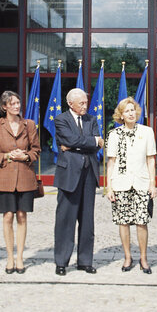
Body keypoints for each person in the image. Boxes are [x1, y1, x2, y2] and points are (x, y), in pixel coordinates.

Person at [0, 91, 40, 274]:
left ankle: (20, 258)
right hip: (5, 178)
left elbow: (36, 150)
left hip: (25, 177)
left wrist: (25, 156)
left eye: (18, 103)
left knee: (22, 216)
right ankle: (9, 257)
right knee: (8, 216)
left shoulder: (29, 125)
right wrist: (8, 156)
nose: (17, 106)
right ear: (5, 107)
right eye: (13, 103)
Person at [53, 88, 104, 276]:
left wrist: (77, 144)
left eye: (86, 102)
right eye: (81, 103)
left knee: (87, 220)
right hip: (69, 175)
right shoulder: (61, 120)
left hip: (89, 173)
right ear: (70, 103)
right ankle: (61, 261)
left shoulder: (91, 119)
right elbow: (70, 138)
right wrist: (91, 141)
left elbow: (96, 142)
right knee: (65, 219)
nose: (85, 105)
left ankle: (85, 260)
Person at [105, 97, 157, 274]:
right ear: (121, 114)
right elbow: (110, 162)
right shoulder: (114, 134)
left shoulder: (147, 131)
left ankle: (143, 258)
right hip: (120, 183)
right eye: (127, 111)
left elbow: (151, 159)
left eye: (133, 109)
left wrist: (153, 183)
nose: (131, 113)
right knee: (123, 221)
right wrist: (109, 187)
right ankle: (127, 257)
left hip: (142, 183)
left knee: (142, 222)